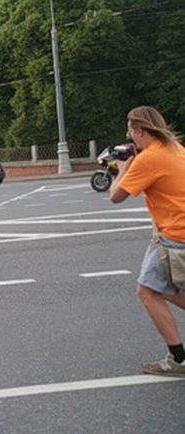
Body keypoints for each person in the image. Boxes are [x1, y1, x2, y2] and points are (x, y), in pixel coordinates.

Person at [109, 106, 185, 377]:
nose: (130, 137)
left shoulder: (148, 159)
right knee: (161, 288)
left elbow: (115, 196)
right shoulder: (175, 147)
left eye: (131, 131)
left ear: (140, 131)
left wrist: (123, 167)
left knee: (147, 291)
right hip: (177, 229)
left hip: (175, 234)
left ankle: (178, 359)